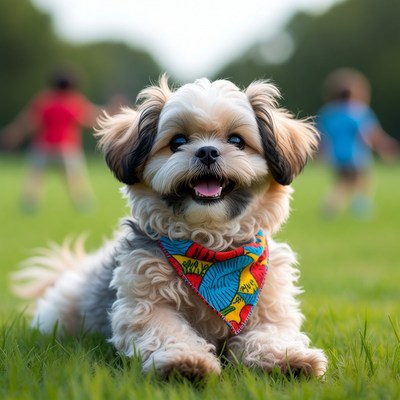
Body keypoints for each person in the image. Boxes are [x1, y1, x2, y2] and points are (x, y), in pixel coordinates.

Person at [1, 68, 99, 213]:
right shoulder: (75, 101)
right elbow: (90, 119)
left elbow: (30, 122)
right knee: (75, 180)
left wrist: (15, 134)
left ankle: (29, 207)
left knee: (35, 179)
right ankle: (84, 208)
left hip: (44, 146)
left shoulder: (44, 99)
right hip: (66, 147)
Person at [317, 68, 399, 218]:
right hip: (356, 154)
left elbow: (321, 136)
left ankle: (331, 207)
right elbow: (370, 133)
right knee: (363, 181)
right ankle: (360, 208)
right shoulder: (359, 111)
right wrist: (385, 148)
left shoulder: (328, 113)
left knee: (342, 182)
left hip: (335, 155)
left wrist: (319, 154)